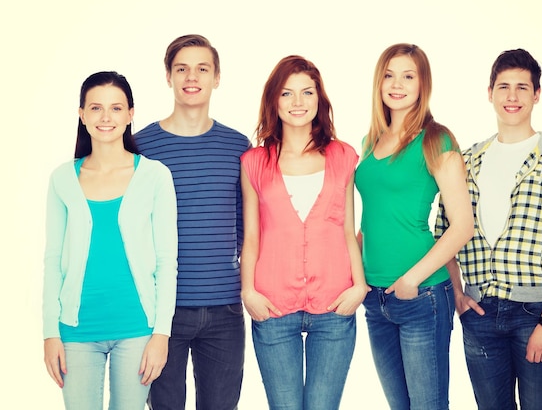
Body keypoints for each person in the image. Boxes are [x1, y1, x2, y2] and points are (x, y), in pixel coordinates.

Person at [436, 48, 542, 410]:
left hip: (533, 313)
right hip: (479, 313)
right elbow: (444, 233)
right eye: (503, 86)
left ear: (536, 95)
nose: (512, 96)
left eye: (522, 87)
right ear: (489, 92)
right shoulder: (467, 159)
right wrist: (457, 294)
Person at [42, 71, 178, 410]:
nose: (106, 117)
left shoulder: (155, 176)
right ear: (82, 115)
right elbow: (52, 259)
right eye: (96, 108)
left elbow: (166, 261)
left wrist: (161, 334)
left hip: (136, 328)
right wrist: (49, 332)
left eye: (116, 108)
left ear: (131, 115)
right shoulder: (62, 178)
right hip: (76, 330)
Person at [240, 55, 368, 410]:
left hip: (334, 303)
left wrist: (359, 286)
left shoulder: (343, 156)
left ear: (319, 99)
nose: (297, 103)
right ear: (273, 101)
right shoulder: (254, 161)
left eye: (306, 93)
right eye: (286, 94)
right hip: (272, 304)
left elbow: (347, 229)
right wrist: (247, 291)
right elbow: (252, 236)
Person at [354, 43, 474, 410]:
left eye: (408, 76)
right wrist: (354, 275)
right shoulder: (370, 141)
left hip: (422, 296)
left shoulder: (437, 139)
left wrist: (411, 280)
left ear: (423, 85)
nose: (397, 84)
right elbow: (371, 220)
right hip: (375, 298)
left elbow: (462, 226)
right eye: (389, 75)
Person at [133, 34, 250, 410]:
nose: (191, 76)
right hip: (162, 313)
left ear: (217, 77)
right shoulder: (141, 146)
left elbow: (246, 227)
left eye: (202, 68)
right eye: (181, 68)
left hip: (225, 309)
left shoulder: (237, 146)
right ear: (168, 76)